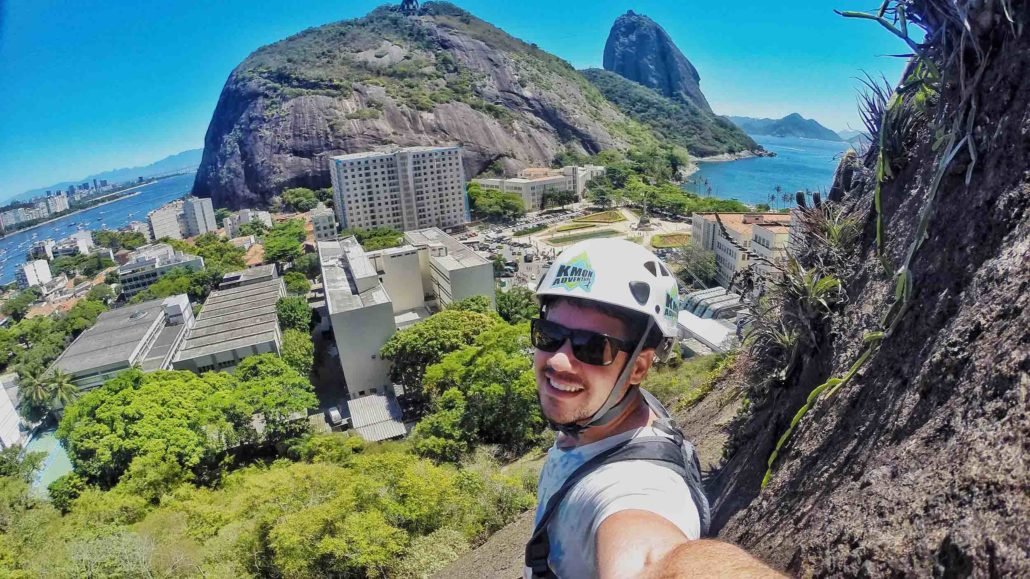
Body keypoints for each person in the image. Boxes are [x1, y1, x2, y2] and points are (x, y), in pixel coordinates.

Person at [526, 238, 779, 578]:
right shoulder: (602, 420)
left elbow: (653, 558)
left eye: (592, 347)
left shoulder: (639, 487)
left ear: (639, 369)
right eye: (549, 334)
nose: (558, 359)